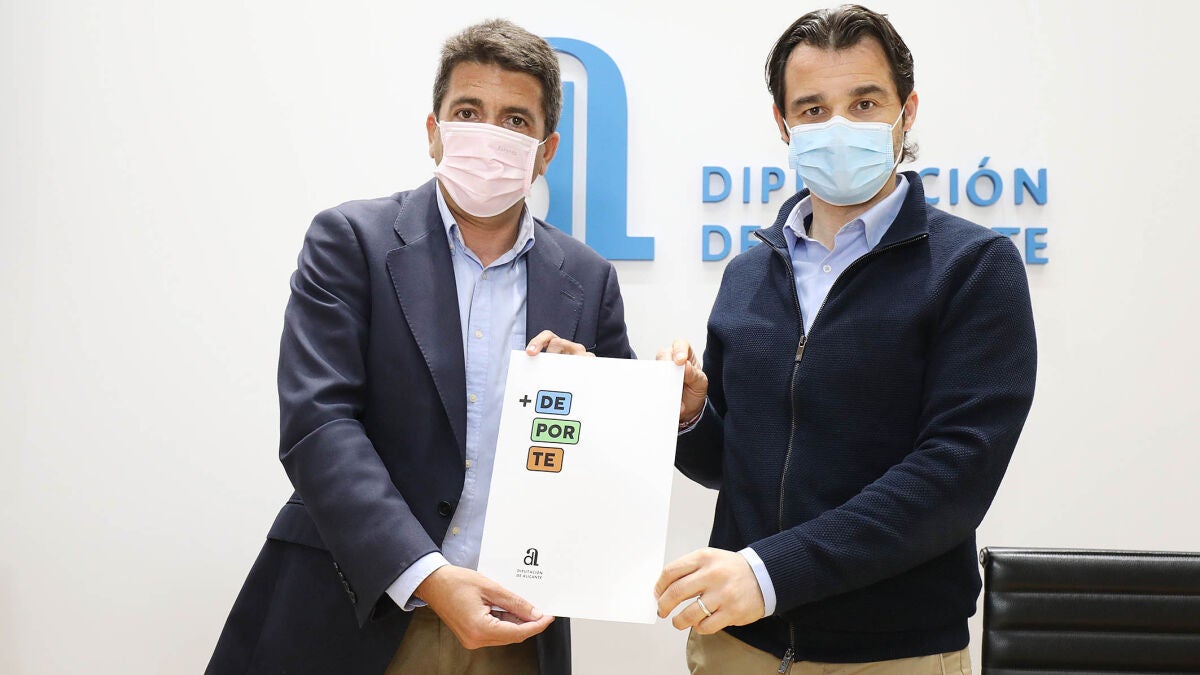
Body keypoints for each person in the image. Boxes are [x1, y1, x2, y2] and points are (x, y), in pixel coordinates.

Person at [206, 19, 633, 675]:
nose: (489, 135)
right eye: (468, 112)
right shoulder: (350, 241)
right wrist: (427, 574)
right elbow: (318, 424)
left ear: (546, 151)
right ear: (434, 131)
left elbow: (610, 465)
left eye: (515, 120)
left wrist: (595, 399)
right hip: (356, 610)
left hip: (514, 630)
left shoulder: (587, 279)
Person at [653, 5, 1036, 673]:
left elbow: (953, 476)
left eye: (864, 103)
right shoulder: (749, 273)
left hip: (893, 653)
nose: (839, 127)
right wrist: (690, 415)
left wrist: (771, 572)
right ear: (783, 124)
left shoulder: (974, 267)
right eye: (813, 109)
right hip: (736, 645)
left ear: (905, 111)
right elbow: (729, 464)